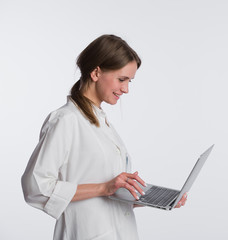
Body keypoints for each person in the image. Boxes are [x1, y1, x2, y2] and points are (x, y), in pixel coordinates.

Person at [21, 34, 187, 240]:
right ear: (96, 72)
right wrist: (105, 187)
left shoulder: (100, 122)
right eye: (122, 79)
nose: (126, 89)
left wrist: (147, 198)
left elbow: (109, 194)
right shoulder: (66, 120)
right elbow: (36, 188)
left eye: (129, 81)